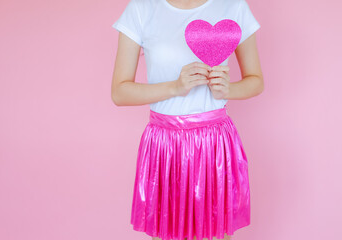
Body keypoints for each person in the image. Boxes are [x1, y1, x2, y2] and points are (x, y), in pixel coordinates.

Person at [111, 0, 264, 239]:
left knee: (215, 235)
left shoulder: (232, 6)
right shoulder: (141, 8)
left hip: (214, 146)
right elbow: (119, 92)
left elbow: (255, 80)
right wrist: (175, 87)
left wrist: (227, 90)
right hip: (164, 147)